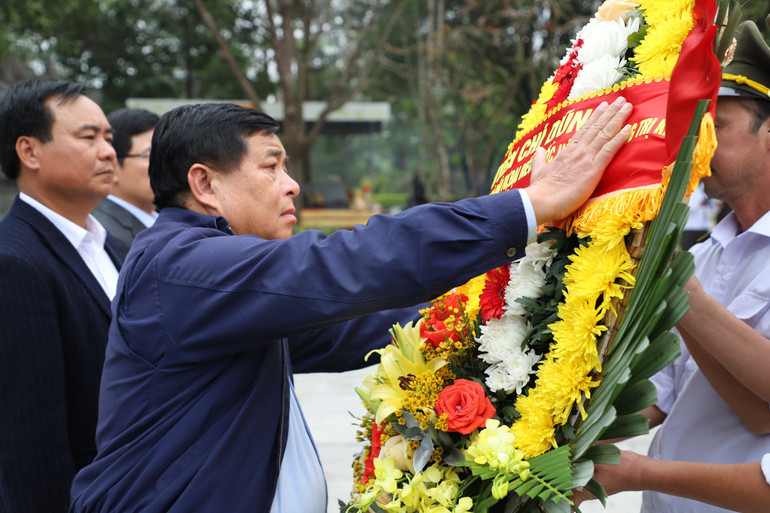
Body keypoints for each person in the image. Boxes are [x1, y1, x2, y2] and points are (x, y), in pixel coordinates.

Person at [70, 97, 633, 512]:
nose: (291, 185)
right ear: (205, 184)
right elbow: (344, 266)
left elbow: (365, 326)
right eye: (271, 167)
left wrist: (508, 303)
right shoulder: (182, 268)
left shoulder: (220, 282)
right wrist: (524, 207)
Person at [581, 20, 770, 513]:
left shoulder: (685, 270)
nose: (697, 147)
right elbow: (657, 395)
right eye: (693, 129)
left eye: (715, 127)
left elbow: (761, 413)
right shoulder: (706, 255)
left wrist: (680, 294)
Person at [0, 79, 121, 512]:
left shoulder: (105, 244)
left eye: (109, 138)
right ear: (29, 151)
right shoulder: (14, 261)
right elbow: (29, 439)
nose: (108, 151)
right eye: (89, 138)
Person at [92, 108, 159, 258]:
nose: (166, 164)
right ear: (113, 165)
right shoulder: (106, 234)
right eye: (150, 155)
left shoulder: (164, 219)